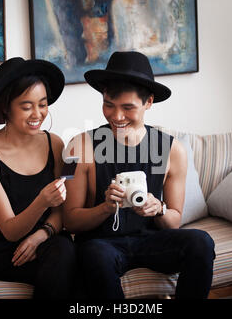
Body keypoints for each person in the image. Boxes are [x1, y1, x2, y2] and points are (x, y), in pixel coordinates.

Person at [63, 51, 215, 299]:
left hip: (151, 242)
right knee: (95, 255)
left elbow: (173, 222)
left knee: (202, 242)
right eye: (108, 105)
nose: (116, 116)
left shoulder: (173, 150)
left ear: (148, 102)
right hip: (102, 244)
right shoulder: (77, 146)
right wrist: (104, 208)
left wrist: (159, 208)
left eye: (127, 107)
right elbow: (70, 221)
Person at [0, 57, 77, 299]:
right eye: (26, 106)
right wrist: (41, 201)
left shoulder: (55, 142)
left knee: (73, 254)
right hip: (4, 250)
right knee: (67, 263)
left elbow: (64, 208)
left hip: (47, 242)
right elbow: (9, 231)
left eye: (43, 104)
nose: (37, 114)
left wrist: (42, 235)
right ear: (5, 107)